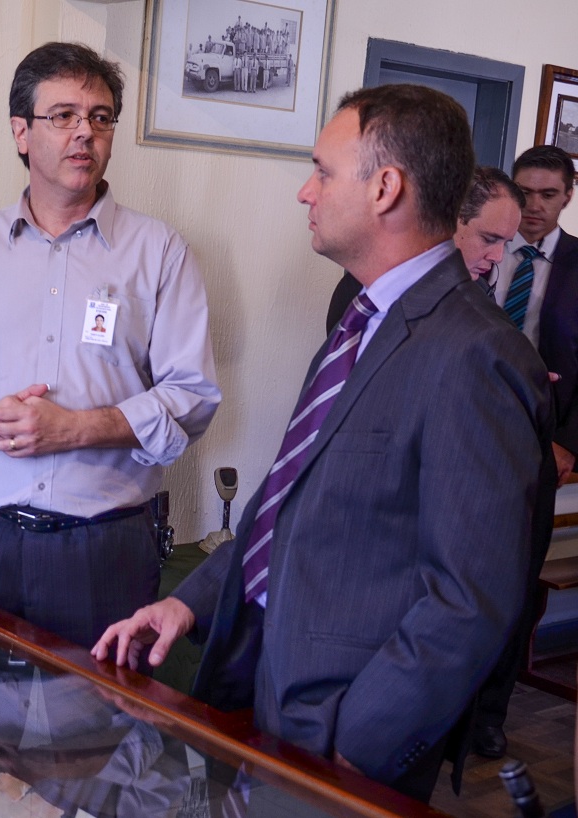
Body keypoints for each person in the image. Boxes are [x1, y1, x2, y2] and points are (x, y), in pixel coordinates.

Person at [93, 84, 553, 803]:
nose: (306, 191)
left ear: (385, 188)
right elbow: (291, 501)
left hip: (340, 731)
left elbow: (471, 598)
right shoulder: (360, 321)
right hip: (260, 680)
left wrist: (358, 745)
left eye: (322, 171)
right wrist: (190, 604)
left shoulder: (476, 356)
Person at [0, 41, 220, 650]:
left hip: (103, 548)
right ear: (21, 132)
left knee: (100, 707)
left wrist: (74, 429)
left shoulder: (159, 252)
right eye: (64, 115)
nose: (85, 133)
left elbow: (192, 397)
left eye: (100, 117)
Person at [471, 144, 578, 759]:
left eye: (547, 194)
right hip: (469, 435)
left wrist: (567, 443)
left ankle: (490, 714)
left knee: (512, 582)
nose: (534, 206)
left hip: (539, 444)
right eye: (525, 191)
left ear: (568, 197)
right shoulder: (477, 251)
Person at [325, 165, 526, 331]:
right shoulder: (366, 287)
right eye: (489, 239)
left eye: (506, 243)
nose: (498, 257)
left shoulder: (481, 293)